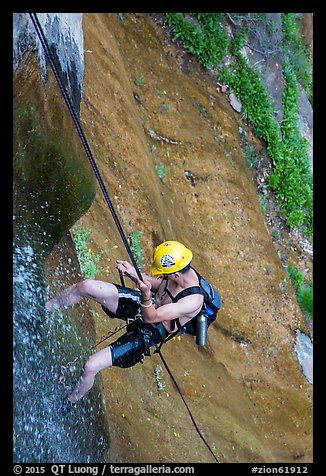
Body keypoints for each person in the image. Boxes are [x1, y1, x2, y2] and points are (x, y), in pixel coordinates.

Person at [46, 241, 205, 405]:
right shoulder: (179, 268)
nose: (162, 276)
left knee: (90, 366)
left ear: (176, 275)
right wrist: (134, 274)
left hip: (150, 330)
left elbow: (151, 317)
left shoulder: (192, 301)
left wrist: (144, 294)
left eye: (165, 274)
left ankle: (67, 402)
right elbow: (158, 285)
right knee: (85, 287)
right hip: (146, 304)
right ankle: (44, 309)